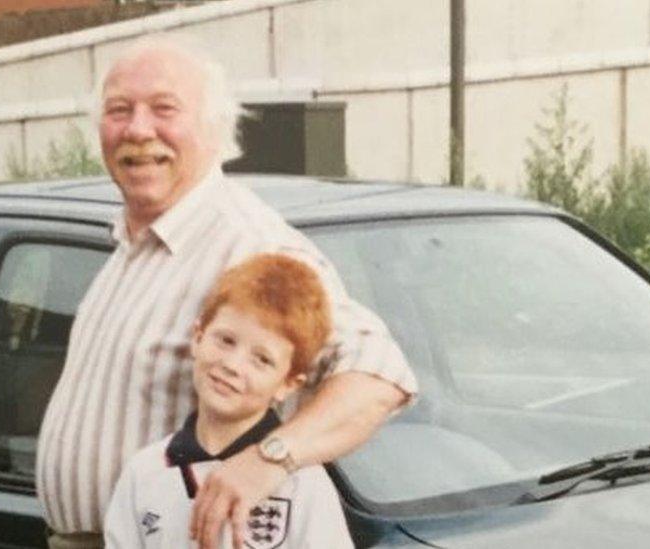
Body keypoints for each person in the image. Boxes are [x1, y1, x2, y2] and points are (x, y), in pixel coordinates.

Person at [35, 36, 418, 549]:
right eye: (119, 110)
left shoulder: (247, 242)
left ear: (215, 130)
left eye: (164, 109)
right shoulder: (134, 241)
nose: (138, 129)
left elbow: (379, 373)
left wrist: (269, 460)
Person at [104, 253, 353, 548]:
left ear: (288, 384)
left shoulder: (303, 484)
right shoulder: (144, 473)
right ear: (198, 337)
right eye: (226, 341)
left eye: (261, 359)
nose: (233, 365)